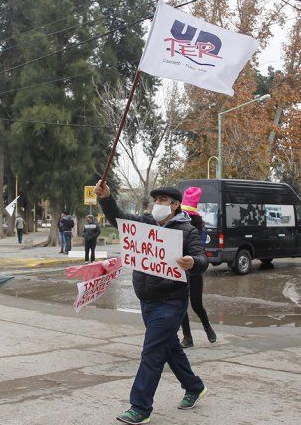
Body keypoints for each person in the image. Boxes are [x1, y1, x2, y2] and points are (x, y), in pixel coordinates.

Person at [95, 180, 208, 425]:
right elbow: (119, 219)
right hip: (147, 300)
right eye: (156, 200)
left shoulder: (187, 231)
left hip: (171, 302)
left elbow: (202, 259)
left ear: (176, 206)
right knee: (170, 348)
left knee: (153, 352)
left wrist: (193, 262)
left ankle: (140, 406)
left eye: (163, 201)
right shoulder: (146, 224)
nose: (158, 205)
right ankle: (194, 386)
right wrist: (106, 199)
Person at [178, 187, 217, 348]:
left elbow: (199, 251)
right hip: (178, 272)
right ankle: (187, 337)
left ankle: (207, 327)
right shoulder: (175, 226)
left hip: (193, 272)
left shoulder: (199, 231)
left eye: (188, 217)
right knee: (181, 306)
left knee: (196, 304)